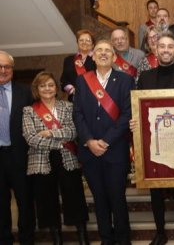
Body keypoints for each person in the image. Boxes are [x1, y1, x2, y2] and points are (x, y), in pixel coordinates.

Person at [73, 40, 134, 244]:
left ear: (114, 57)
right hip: (90, 152)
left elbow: (127, 114)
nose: (103, 53)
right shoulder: (82, 81)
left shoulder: (126, 80)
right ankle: (106, 239)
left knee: (117, 198)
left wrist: (106, 141)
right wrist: (89, 140)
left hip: (115, 150)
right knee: (99, 199)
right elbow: (78, 114)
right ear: (92, 55)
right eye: (99, 50)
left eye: (108, 51)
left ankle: (123, 239)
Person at [137, 32, 174, 245]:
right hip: (154, 144)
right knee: (155, 190)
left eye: (170, 47)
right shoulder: (145, 77)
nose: (166, 50)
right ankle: (160, 232)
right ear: (155, 50)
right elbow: (140, 109)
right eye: (162, 47)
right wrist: (136, 121)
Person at [22, 72, 89, 245]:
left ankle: (83, 238)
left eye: (50, 85)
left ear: (56, 88)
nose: (47, 89)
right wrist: (59, 142)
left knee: (75, 198)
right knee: (47, 200)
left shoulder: (67, 106)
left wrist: (50, 132)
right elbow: (31, 138)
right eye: (42, 85)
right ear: (37, 89)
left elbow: (72, 132)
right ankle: (56, 239)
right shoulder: (29, 110)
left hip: (67, 157)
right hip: (41, 160)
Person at [0, 50, 35, 245]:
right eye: (0, 66)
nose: (3, 70)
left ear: (13, 69)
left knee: (25, 202)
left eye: (7, 66)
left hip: (20, 156)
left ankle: (27, 239)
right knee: (1, 204)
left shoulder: (26, 92)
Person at [60, 29, 96, 102]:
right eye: (81, 40)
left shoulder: (98, 59)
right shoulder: (68, 60)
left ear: (93, 44)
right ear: (77, 43)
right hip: (74, 100)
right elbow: (63, 80)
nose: (84, 42)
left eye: (88, 40)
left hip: (94, 98)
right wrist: (72, 90)